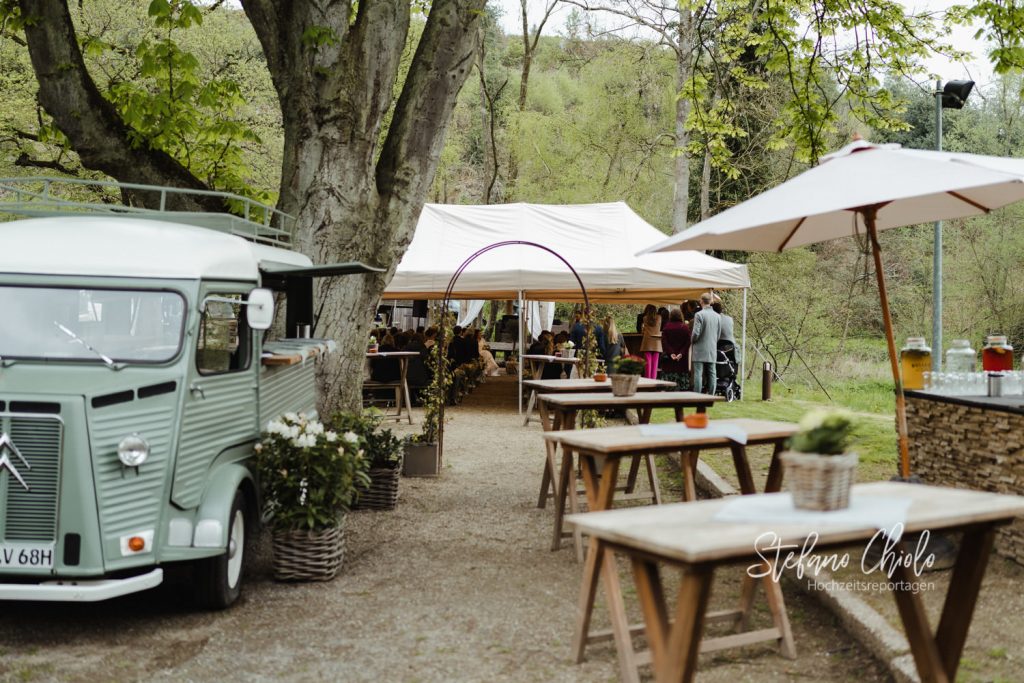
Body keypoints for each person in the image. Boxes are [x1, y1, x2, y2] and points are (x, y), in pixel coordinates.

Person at [690, 293, 721, 394]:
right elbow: (718, 334)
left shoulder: (699, 315)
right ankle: (711, 394)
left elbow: (696, 333)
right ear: (710, 302)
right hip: (712, 347)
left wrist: (692, 341)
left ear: (701, 301)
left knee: (698, 373)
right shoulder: (717, 316)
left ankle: (697, 395)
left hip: (699, 348)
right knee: (712, 372)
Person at [660, 308, 691, 390]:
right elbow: (688, 342)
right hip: (682, 360)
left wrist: (671, 353)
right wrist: (681, 353)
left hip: (669, 360)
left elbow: (664, 342)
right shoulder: (685, 328)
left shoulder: (666, 327)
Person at [639, 304, 662, 380]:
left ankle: (648, 380)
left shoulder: (645, 318)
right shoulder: (659, 318)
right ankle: (654, 380)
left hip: (647, 342)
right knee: (655, 363)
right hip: (656, 342)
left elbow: (643, 330)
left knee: (648, 363)